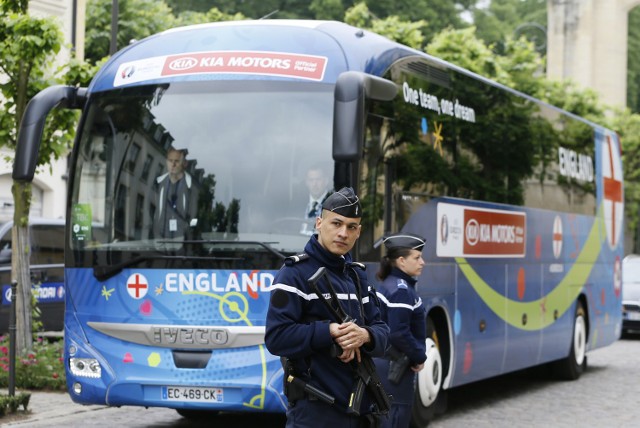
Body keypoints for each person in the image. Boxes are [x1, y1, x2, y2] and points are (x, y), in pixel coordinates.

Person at [265, 187, 390, 428]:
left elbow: (384, 333)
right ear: (319, 223)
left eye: (351, 227)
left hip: (360, 410)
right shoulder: (294, 274)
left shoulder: (356, 276)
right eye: (337, 223)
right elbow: (276, 338)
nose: (343, 233)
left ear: (359, 232)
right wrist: (330, 331)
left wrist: (365, 335)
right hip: (315, 413)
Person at [373, 233, 428, 428]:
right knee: (395, 418)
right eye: (417, 257)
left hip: (384, 367)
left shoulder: (390, 285)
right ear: (402, 261)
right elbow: (398, 332)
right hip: (394, 371)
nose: (422, 262)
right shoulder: (401, 291)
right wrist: (419, 356)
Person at [153, 147, 196, 239]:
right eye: (170, 160)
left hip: (182, 242)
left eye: (177, 161)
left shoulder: (191, 188)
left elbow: (194, 218)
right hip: (160, 242)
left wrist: (188, 228)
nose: (173, 164)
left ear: (185, 163)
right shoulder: (158, 184)